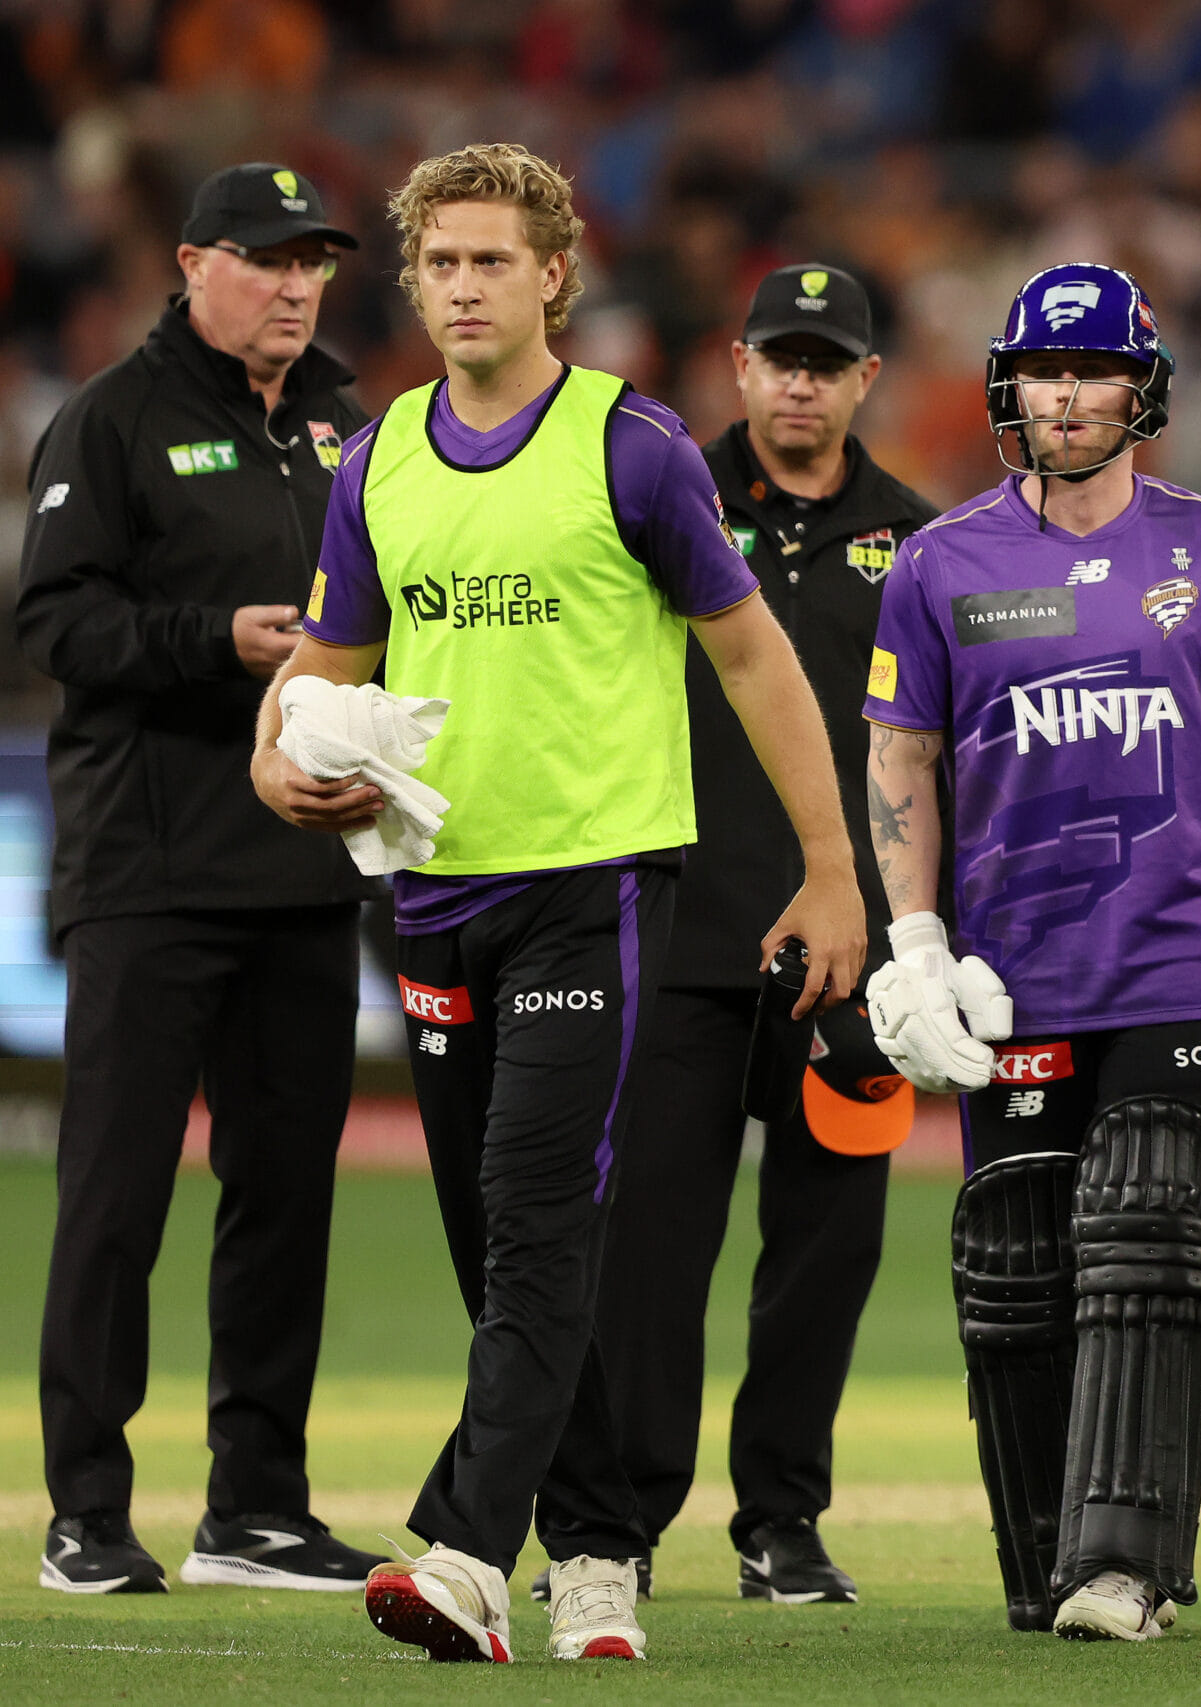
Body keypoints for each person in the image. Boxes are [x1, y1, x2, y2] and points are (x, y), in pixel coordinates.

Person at [248, 144, 863, 1665]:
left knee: (534, 1223)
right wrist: (281, 772)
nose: (464, 285)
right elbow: (324, 672)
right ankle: (593, 1552)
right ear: (416, 279)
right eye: (440, 261)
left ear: (552, 278)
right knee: (491, 1243)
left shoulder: (631, 448)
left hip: (592, 893)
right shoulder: (378, 459)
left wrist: (832, 865)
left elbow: (753, 657)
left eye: (492, 260)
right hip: (434, 902)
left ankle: (464, 1548)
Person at [863, 262, 1201, 1642]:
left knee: (1157, 1234)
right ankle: (1044, 1560)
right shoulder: (942, 563)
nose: (1066, 396)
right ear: (1010, 390)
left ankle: (1125, 1564)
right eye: (1044, 374)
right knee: (1015, 1265)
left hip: (1182, 961)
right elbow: (903, 754)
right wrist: (919, 941)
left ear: (1143, 390)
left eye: (1093, 371)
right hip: (1015, 974)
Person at [17, 162, 385, 1596]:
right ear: (191, 264)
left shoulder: (351, 426)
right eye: (268, 258)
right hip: (150, 875)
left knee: (285, 1198)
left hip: (302, 869)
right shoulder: (115, 419)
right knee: (116, 1201)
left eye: (315, 264)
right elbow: (52, 619)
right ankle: (84, 1516)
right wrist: (208, 640)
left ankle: (257, 1510)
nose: (296, 285)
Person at [578, 262, 937, 1608]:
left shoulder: (921, 541)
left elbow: (941, 754)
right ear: (737, 364)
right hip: (673, 945)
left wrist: (924, 932)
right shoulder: (657, 503)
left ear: (865, 380)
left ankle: (781, 1519)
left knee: (826, 1255)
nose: (799, 378)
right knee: (649, 1255)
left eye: (825, 358)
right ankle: (628, 1517)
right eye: (778, 355)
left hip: (852, 971)